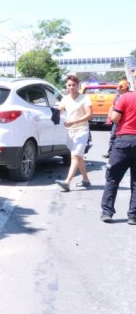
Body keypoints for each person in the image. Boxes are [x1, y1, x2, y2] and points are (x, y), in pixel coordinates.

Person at [100, 77, 136, 224]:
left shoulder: (125, 97)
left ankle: (107, 212)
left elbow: (115, 117)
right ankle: (133, 216)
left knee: (113, 177)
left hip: (124, 141)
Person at [55, 74, 92, 191]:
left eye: (73, 85)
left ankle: (67, 182)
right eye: (69, 85)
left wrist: (74, 121)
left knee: (75, 155)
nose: (71, 87)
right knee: (79, 157)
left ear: (78, 86)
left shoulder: (84, 98)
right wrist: (54, 115)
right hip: (70, 132)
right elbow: (59, 110)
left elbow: (89, 115)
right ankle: (86, 180)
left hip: (82, 130)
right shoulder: (65, 98)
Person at [104, 79, 130, 158]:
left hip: (125, 121)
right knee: (113, 136)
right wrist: (109, 116)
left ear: (125, 88)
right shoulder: (117, 96)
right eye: (118, 86)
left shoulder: (129, 96)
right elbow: (112, 106)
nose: (117, 88)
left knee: (124, 138)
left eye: (120, 87)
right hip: (116, 120)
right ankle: (110, 153)